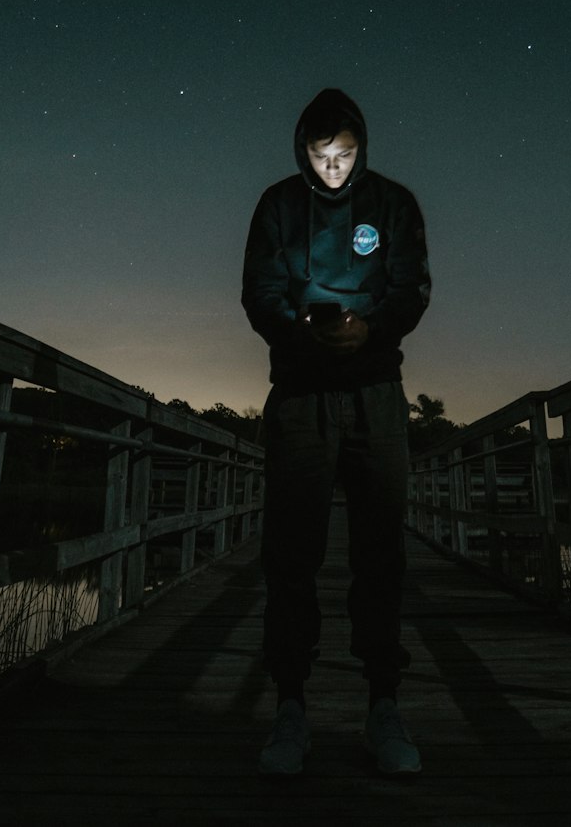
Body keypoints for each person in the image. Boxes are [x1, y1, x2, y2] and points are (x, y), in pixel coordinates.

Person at [242, 86, 432, 777]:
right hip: (300, 397)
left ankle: (383, 704)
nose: (333, 168)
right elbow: (258, 291)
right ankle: (290, 707)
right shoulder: (276, 207)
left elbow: (410, 287)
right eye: (321, 156)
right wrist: (301, 332)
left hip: (376, 394)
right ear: (302, 150)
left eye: (344, 155)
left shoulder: (394, 204)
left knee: (380, 555)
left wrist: (369, 330)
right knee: (291, 556)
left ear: (362, 149)